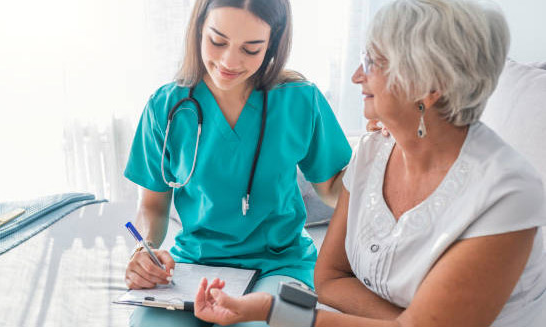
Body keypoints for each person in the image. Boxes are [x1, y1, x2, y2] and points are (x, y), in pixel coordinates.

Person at [193, 0, 546, 326]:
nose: (357, 77)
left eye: (373, 63)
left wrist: (273, 311)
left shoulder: (507, 194)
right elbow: (329, 278)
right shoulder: (374, 150)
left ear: (429, 84)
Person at [123, 0, 352, 325]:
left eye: (251, 48)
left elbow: (333, 187)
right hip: (196, 265)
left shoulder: (300, 100)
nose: (230, 61)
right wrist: (143, 251)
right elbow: (153, 207)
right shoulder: (165, 107)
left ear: (272, 44)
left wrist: (389, 161)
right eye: (218, 41)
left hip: (280, 264)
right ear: (199, 29)